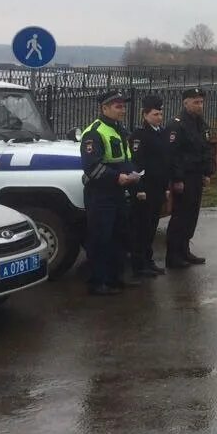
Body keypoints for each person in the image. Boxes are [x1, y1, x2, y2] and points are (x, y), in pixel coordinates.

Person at [80, 89, 141, 295]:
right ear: (104, 108)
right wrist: (117, 177)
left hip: (118, 193)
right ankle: (98, 282)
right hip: (100, 194)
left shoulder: (119, 130)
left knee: (119, 236)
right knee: (101, 238)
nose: (122, 110)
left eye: (123, 106)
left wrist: (133, 174)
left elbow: (125, 158)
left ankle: (115, 278)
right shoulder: (94, 132)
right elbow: (92, 167)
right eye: (118, 106)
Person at [166, 87, 214, 268]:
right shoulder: (177, 125)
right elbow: (173, 154)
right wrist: (177, 179)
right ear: (185, 103)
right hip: (184, 177)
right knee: (180, 215)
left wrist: (207, 172)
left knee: (192, 214)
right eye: (196, 102)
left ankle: (185, 250)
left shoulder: (201, 124)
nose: (200, 105)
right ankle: (173, 255)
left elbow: (206, 149)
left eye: (201, 102)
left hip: (196, 176)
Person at [129, 95, 171, 277]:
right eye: (155, 114)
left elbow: (164, 160)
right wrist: (139, 189)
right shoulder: (139, 135)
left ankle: (149, 260)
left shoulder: (160, 132)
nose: (159, 117)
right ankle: (139, 264)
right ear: (145, 115)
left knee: (152, 226)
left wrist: (166, 186)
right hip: (145, 188)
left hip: (158, 187)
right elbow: (137, 164)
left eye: (161, 113)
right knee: (142, 228)